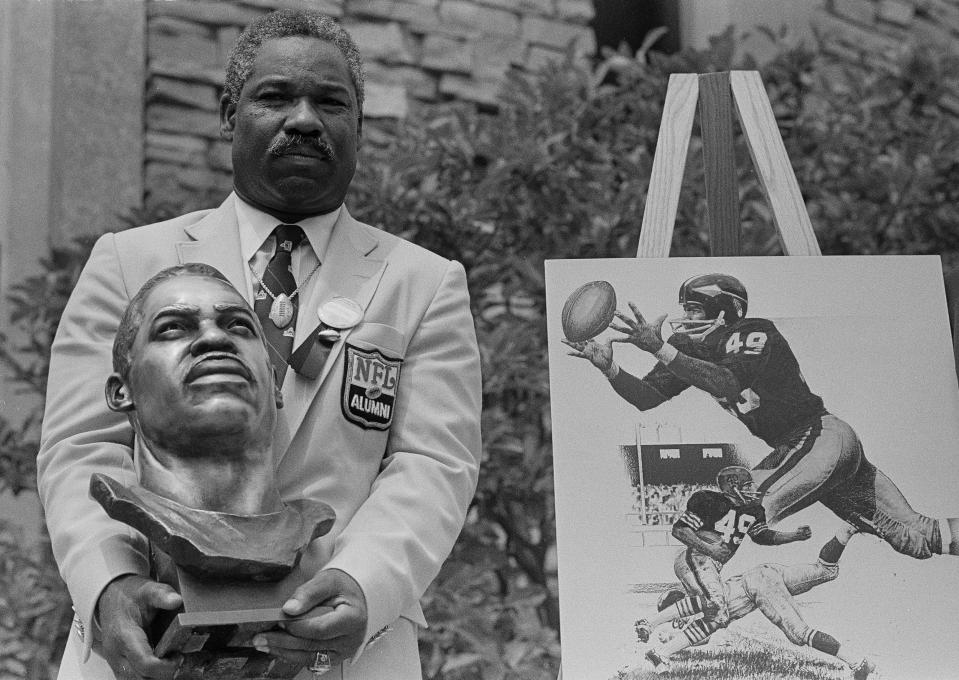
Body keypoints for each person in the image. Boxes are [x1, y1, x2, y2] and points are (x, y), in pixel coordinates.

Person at [37, 10, 482, 680]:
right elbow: (81, 448)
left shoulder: (423, 284)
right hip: (151, 645)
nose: (303, 119)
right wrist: (108, 585)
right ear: (228, 116)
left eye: (330, 102)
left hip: (333, 655)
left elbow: (433, 464)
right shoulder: (130, 261)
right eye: (274, 97)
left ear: (358, 124)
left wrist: (365, 584)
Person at [565, 273, 959, 561]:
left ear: (725, 311)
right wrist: (609, 369)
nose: (684, 318)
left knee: (742, 502)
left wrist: (660, 350)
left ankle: (719, 543)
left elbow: (726, 381)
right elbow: (647, 398)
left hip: (819, 437)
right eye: (684, 308)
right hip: (800, 450)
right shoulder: (689, 349)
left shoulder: (752, 331)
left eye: (694, 309)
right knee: (918, 536)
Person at [640, 524, 875, 679]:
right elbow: (701, 633)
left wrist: (657, 628)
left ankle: (856, 663)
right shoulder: (712, 595)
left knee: (798, 634)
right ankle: (847, 529)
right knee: (825, 571)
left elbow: (701, 625)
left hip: (759, 586)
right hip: (766, 572)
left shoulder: (710, 600)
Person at [635, 466, 811, 644]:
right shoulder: (708, 499)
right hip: (695, 560)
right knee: (716, 609)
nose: (753, 490)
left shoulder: (754, 510)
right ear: (732, 484)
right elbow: (680, 530)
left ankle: (670, 622)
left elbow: (763, 536)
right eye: (748, 485)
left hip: (711, 566)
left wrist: (793, 536)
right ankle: (652, 626)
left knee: (711, 623)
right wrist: (710, 549)